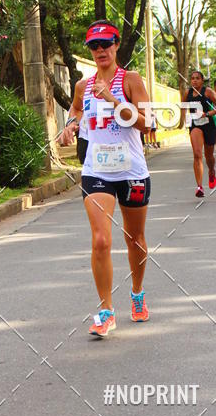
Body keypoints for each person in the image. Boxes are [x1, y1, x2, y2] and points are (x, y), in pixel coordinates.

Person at [60, 19, 152, 338]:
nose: (100, 50)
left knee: (135, 240)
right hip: (97, 170)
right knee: (101, 239)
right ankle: (106, 311)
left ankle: (137, 294)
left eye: (106, 44)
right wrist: (70, 126)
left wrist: (113, 100)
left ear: (116, 46)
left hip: (131, 171)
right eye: (94, 46)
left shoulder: (131, 80)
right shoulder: (83, 87)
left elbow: (146, 124)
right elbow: (75, 110)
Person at [181, 70, 216, 198]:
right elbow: (182, 107)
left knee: (209, 156)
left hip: (209, 125)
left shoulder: (208, 92)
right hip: (195, 125)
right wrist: (183, 120)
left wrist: (207, 114)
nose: (194, 80)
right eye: (192, 78)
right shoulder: (187, 93)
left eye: (197, 78)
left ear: (202, 80)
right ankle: (199, 186)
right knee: (197, 154)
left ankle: (211, 171)